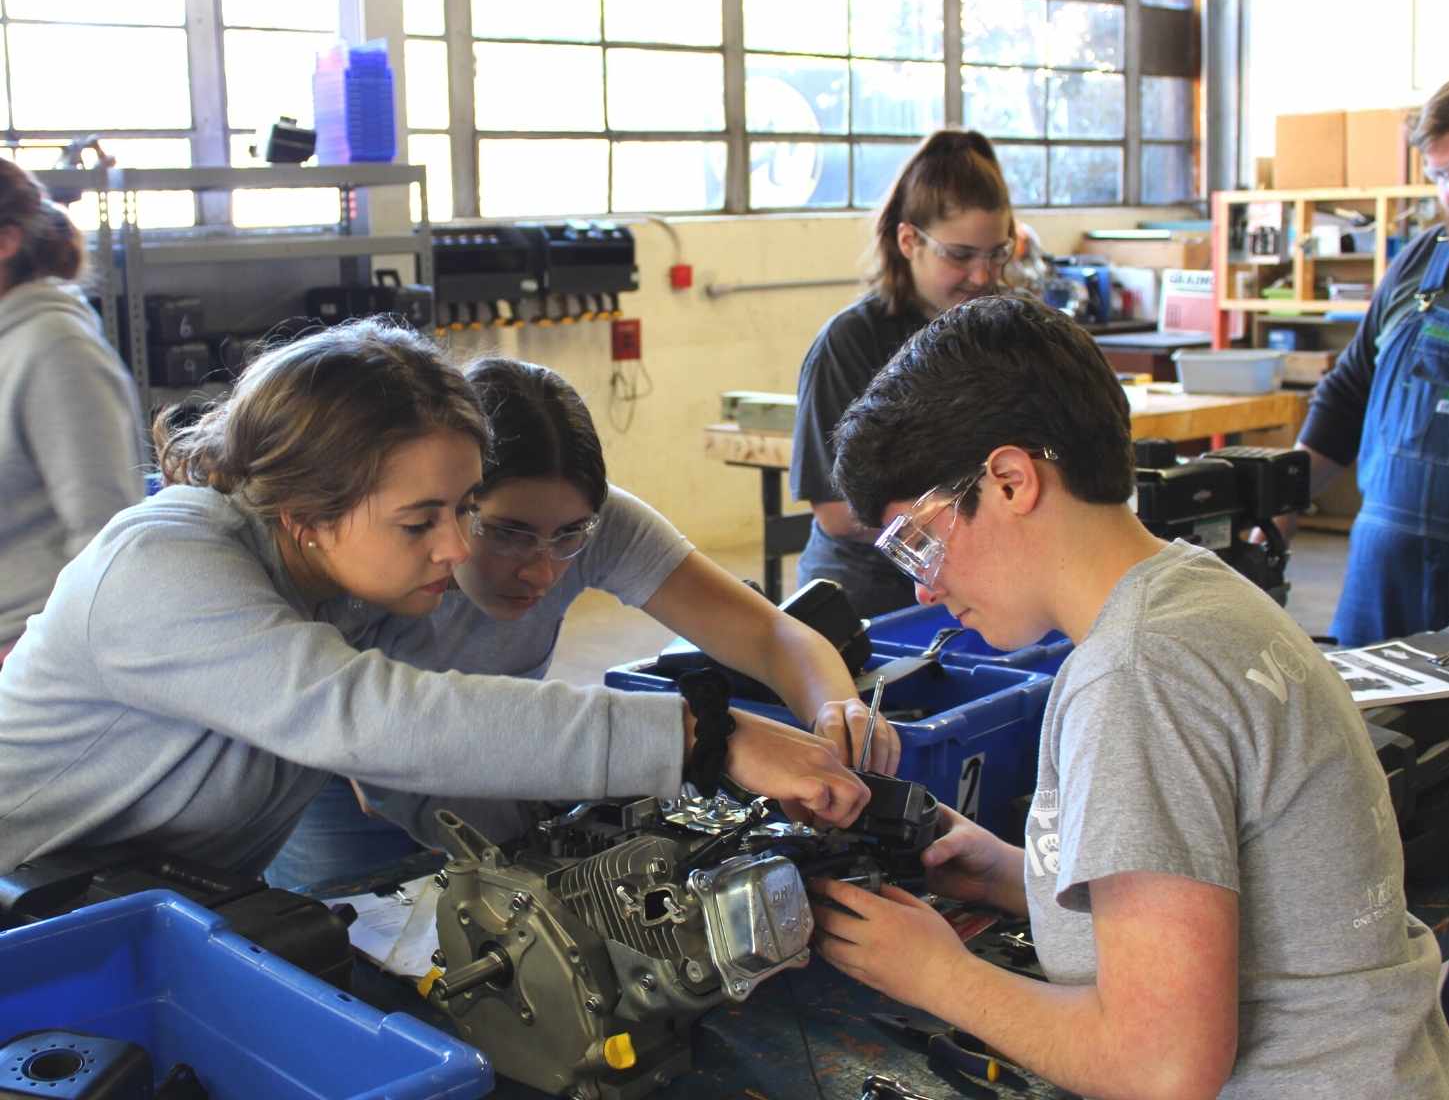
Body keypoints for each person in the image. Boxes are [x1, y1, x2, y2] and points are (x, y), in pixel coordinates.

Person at [810, 295, 1449, 1098]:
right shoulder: (1195, 593)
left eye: (918, 541)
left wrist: (934, 975)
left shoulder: (1136, 676)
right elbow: (1220, 902)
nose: (922, 590)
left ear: (1012, 480)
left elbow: (1159, 1069)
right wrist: (1013, 875)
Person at [0, 319, 869, 880]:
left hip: (152, 897)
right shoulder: (163, 569)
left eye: (461, 511)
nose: (456, 550)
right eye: (423, 522)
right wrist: (702, 733)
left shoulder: (334, 574)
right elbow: (380, 721)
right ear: (307, 513)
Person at [267, 356, 898, 888]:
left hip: (503, 759)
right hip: (350, 793)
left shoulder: (598, 524)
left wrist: (835, 707)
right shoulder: (368, 558)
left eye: (568, 536)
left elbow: (767, 633)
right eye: (510, 534)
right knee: (344, 949)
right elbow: (382, 736)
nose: (542, 572)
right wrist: (702, 737)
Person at [1290, 64, 1449, 647]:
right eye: (1438, 173)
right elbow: (1348, 394)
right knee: (1376, 738)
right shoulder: (1420, 263)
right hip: (1385, 594)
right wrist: (1279, 507)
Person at [790, 128, 1017, 618]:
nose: (982, 276)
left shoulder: (1004, 331)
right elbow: (835, 512)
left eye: (997, 253)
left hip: (984, 583)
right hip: (868, 601)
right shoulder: (848, 344)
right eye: (960, 256)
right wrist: (960, 541)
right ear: (909, 239)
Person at [0, 158, 144, 664]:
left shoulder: (56, 350)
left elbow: (104, 535)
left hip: (24, 658)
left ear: (6, 243)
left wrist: (33, 659)